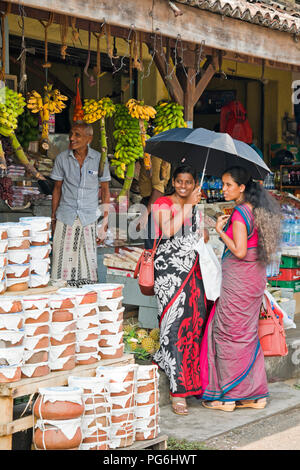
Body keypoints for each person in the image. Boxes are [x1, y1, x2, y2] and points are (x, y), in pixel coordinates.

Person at [199, 166, 281, 411]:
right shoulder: (257, 210)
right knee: (246, 335)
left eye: (228, 185)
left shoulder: (239, 214)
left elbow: (240, 251)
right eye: (222, 184)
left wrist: (219, 232)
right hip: (254, 279)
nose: (223, 189)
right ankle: (255, 396)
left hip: (239, 281)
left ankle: (229, 397)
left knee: (228, 335)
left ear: (242, 187)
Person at [151, 164, 208, 416]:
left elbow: (198, 235)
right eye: (179, 181)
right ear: (173, 181)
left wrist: (203, 233)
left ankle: (190, 381)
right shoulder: (162, 203)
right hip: (169, 275)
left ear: (195, 183)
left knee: (193, 325)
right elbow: (168, 230)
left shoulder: (195, 204)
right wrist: (188, 205)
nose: (183, 186)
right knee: (172, 327)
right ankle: (177, 392)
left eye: (188, 182)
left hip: (193, 272)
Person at [50, 121, 111, 285]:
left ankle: (85, 302)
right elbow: (57, 189)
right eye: (72, 134)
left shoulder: (99, 160)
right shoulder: (62, 158)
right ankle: (61, 300)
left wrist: (104, 223)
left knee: (87, 262)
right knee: (61, 261)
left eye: (77, 135)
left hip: (89, 218)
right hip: (66, 216)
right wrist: (53, 219)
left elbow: (105, 191)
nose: (71, 138)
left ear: (89, 138)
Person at [138, 155, 171, 248]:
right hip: (151, 202)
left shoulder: (155, 156)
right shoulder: (149, 155)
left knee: (152, 245)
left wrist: (146, 213)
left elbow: (158, 189)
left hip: (154, 203)